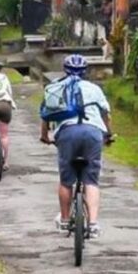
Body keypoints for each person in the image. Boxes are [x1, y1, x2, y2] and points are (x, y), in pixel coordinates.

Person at [39, 54, 112, 239]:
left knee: (66, 180)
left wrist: (45, 136)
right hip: (93, 133)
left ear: (65, 69)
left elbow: (46, 115)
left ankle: (64, 220)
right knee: (91, 181)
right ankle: (93, 224)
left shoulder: (55, 87)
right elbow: (106, 114)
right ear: (85, 71)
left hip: (67, 133)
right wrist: (108, 134)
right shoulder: (94, 88)